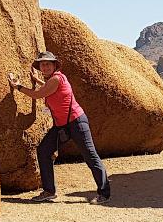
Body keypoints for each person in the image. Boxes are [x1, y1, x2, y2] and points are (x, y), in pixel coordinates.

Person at [10, 52, 111, 203]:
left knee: (90, 155)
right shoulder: (51, 80)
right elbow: (48, 89)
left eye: (48, 64)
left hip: (77, 122)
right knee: (43, 150)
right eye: (42, 64)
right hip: (61, 126)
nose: (45, 67)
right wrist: (37, 79)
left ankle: (104, 193)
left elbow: (38, 95)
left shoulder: (57, 78)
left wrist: (18, 86)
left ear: (55, 65)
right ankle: (49, 191)